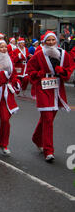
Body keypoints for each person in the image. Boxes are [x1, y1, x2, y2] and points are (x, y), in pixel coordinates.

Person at [27, 31, 73, 162]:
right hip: (44, 88)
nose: (51, 42)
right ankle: (49, 151)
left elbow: (70, 68)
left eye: (53, 40)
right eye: (48, 40)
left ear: (56, 41)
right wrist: (39, 73)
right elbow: (30, 70)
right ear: (44, 42)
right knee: (47, 118)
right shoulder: (39, 55)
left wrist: (62, 71)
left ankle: (36, 138)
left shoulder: (63, 54)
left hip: (57, 88)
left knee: (49, 118)